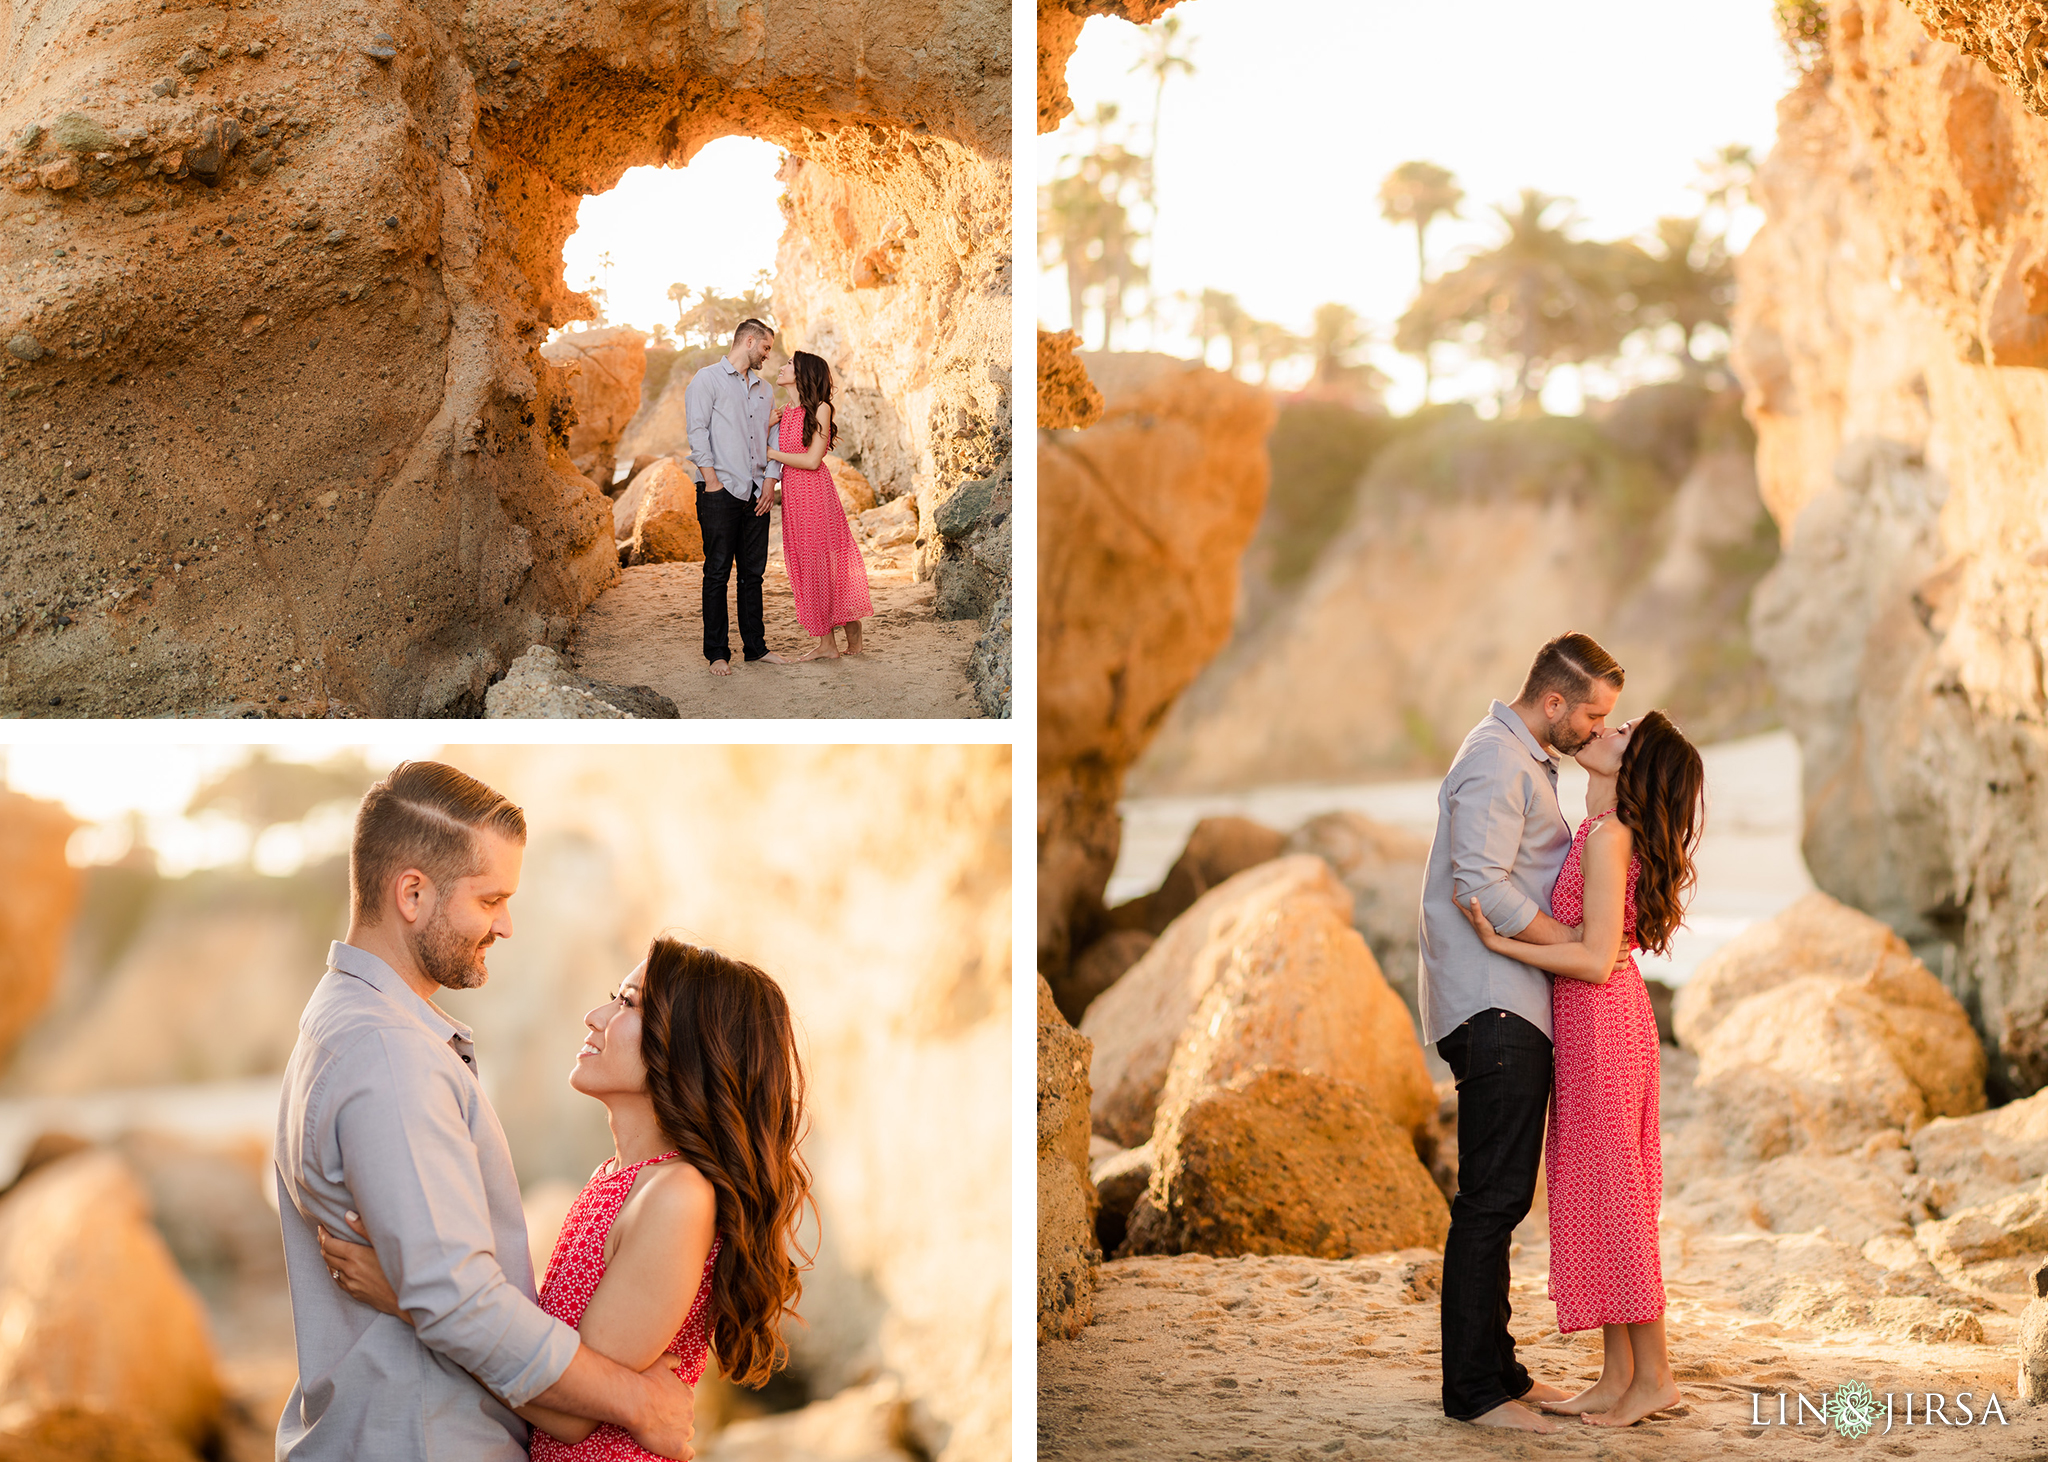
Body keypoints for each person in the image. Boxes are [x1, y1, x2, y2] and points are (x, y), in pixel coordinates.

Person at [272, 762, 698, 1461]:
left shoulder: (345, 1022)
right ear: (412, 893)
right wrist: (640, 1400)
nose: (505, 925)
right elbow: (459, 1302)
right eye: (490, 898)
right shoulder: (388, 1054)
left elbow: (439, 1293)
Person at [323, 936, 813, 1458]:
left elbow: (568, 1412)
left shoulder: (677, 1195)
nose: (594, 1016)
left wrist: (410, 1298)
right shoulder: (617, 1179)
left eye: (627, 1003)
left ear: (688, 1045)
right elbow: (548, 1357)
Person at [1462, 709, 1703, 1428]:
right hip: (1597, 1022)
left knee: (1616, 1198)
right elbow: (1593, 941)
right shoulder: (1594, 832)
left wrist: (1504, 946)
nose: (1606, 728)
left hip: (1602, 1021)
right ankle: (1617, 1373)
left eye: (1622, 731)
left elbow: (1595, 959)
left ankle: (1655, 1375)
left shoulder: (1608, 835)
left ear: (1633, 767)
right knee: (1599, 1193)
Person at [1417, 632, 1625, 1434]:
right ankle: (1474, 1392)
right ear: (1553, 703)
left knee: (1501, 1197)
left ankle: (1498, 1367)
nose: (1596, 728)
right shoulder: (1496, 761)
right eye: (1592, 714)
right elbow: (1480, 884)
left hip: (1512, 1001)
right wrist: (1560, 945)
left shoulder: (1523, 759)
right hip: (1494, 1004)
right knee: (1490, 1201)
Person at [683, 320, 783, 677]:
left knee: (752, 575)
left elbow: (772, 441)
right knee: (717, 573)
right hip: (719, 490)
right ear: (750, 341)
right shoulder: (706, 379)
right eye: (766, 348)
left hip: (757, 491)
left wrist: (771, 482)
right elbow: (697, 432)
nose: (768, 356)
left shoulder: (765, 389)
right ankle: (717, 654)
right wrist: (711, 481)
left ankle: (755, 649)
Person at [761, 350, 873, 662]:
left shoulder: (820, 408)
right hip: (793, 496)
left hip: (815, 492)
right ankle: (828, 644)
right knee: (807, 565)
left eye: (788, 364)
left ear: (802, 373)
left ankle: (849, 634)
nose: (781, 368)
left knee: (827, 563)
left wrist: (772, 454)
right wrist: (766, 426)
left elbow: (812, 460)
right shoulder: (784, 413)